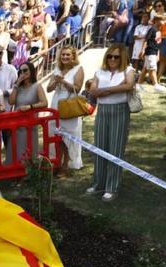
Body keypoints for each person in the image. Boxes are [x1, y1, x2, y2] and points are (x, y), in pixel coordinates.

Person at [85, 44, 135, 201]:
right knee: (100, 146)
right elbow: (92, 90)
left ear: (123, 58)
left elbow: (129, 85)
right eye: (110, 56)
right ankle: (98, 183)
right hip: (103, 110)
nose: (113, 59)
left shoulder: (128, 70)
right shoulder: (100, 72)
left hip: (120, 110)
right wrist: (116, 88)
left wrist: (106, 91)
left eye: (116, 57)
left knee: (115, 148)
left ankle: (112, 187)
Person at [47, 45, 85, 170]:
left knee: (69, 134)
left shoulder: (78, 69)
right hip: (56, 103)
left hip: (70, 104)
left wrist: (63, 81)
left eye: (68, 54)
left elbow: (77, 88)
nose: (65, 57)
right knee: (56, 133)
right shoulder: (57, 69)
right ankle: (57, 160)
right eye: (63, 54)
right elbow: (48, 88)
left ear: (73, 56)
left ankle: (67, 164)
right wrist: (56, 81)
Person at [8, 61, 47, 162]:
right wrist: (16, 84)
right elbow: (11, 101)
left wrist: (30, 107)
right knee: (15, 152)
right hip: (17, 126)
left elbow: (44, 103)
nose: (23, 73)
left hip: (30, 125)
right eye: (20, 71)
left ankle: (29, 173)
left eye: (25, 70)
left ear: (31, 71)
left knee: (29, 152)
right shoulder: (18, 88)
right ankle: (15, 174)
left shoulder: (37, 86)